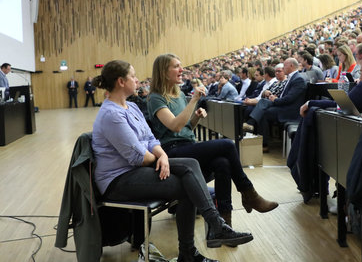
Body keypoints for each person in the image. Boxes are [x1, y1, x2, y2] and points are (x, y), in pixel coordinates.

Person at [91, 60, 253, 262]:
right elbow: (138, 157)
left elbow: (151, 139)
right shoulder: (111, 114)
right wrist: (160, 158)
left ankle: (200, 241)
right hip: (118, 180)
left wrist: (163, 155)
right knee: (188, 180)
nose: (137, 80)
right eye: (133, 76)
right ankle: (205, 236)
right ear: (121, 81)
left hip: (137, 169)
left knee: (189, 172)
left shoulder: (131, 106)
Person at [147, 54, 278, 227]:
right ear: (164, 72)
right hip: (170, 152)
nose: (182, 70)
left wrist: (196, 118)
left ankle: (224, 222)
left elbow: (186, 129)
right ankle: (249, 193)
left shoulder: (178, 94)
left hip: (186, 146)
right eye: (176, 66)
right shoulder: (156, 97)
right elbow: (175, 127)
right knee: (227, 145)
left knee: (222, 163)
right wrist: (194, 100)